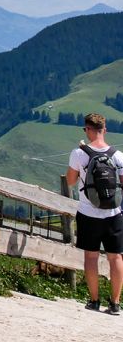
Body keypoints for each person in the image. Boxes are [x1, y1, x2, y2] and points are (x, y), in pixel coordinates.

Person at [66, 112, 123, 314]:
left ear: (88, 130)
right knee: (115, 258)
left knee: (91, 257)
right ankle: (115, 303)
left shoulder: (78, 153)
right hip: (114, 213)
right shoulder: (118, 155)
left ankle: (94, 301)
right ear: (104, 130)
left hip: (88, 213)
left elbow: (71, 181)